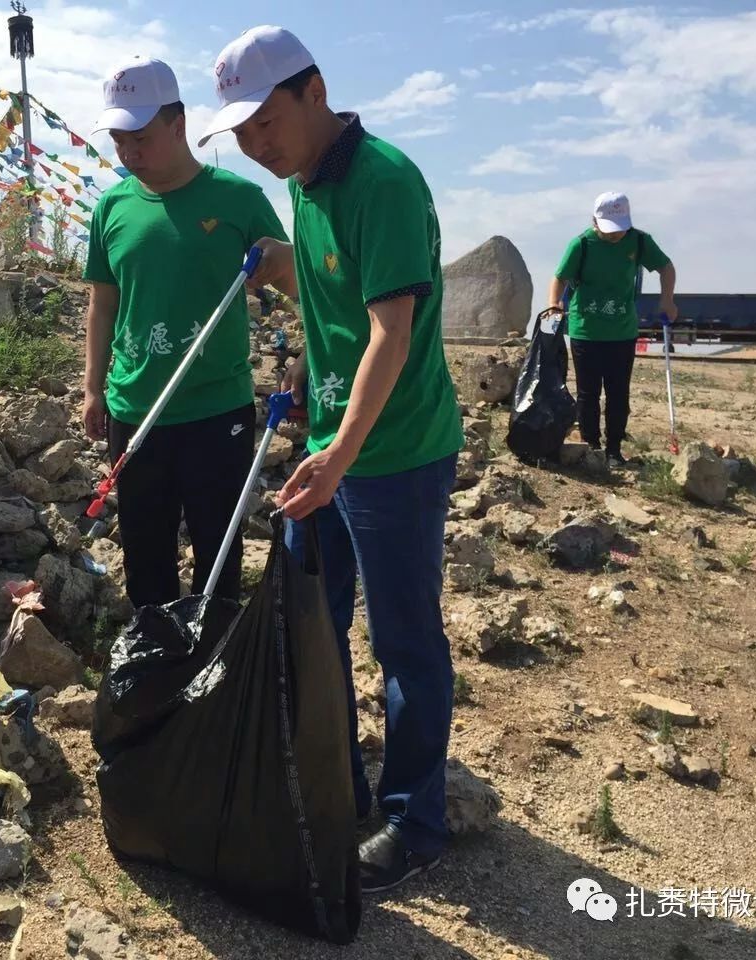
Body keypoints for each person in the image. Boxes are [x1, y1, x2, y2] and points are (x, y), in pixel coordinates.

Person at [199, 25, 464, 893]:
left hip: (392, 455)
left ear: (314, 92)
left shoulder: (382, 181)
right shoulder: (307, 186)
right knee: (319, 628)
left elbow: (393, 329)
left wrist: (341, 453)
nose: (254, 146)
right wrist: (277, 265)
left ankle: (414, 819)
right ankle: (338, 782)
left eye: (265, 123)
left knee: (405, 642)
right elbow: (334, 302)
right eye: (240, 133)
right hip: (333, 449)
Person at [83, 56, 288, 608]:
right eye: (120, 140)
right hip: (135, 411)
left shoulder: (238, 199)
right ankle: (156, 660)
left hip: (216, 411)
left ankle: (212, 658)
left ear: (178, 125)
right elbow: (103, 305)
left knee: (217, 549)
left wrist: (285, 260)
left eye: (141, 138)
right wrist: (93, 388)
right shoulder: (111, 208)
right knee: (145, 548)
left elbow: (301, 283)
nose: (129, 153)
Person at [545, 192, 676, 466]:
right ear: (594, 220)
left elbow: (665, 267)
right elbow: (560, 278)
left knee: (618, 393)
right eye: (609, 229)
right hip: (586, 332)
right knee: (588, 392)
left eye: (620, 229)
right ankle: (591, 447)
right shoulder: (581, 244)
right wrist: (554, 304)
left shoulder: (639, 241)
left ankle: (614, 449)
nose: (615, 235)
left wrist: (667, 299)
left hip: (622, 332)